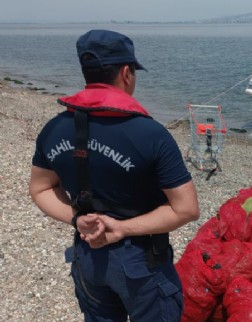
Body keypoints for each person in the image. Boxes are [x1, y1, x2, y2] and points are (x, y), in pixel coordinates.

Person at [29, 29, 200, 322]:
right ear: (126, 73)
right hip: (141, 260)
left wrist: (77, 218)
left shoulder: (55, 128)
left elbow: (40, 189)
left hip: (88, 253)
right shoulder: (151, 135)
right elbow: (186, 209)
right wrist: (122, 229)